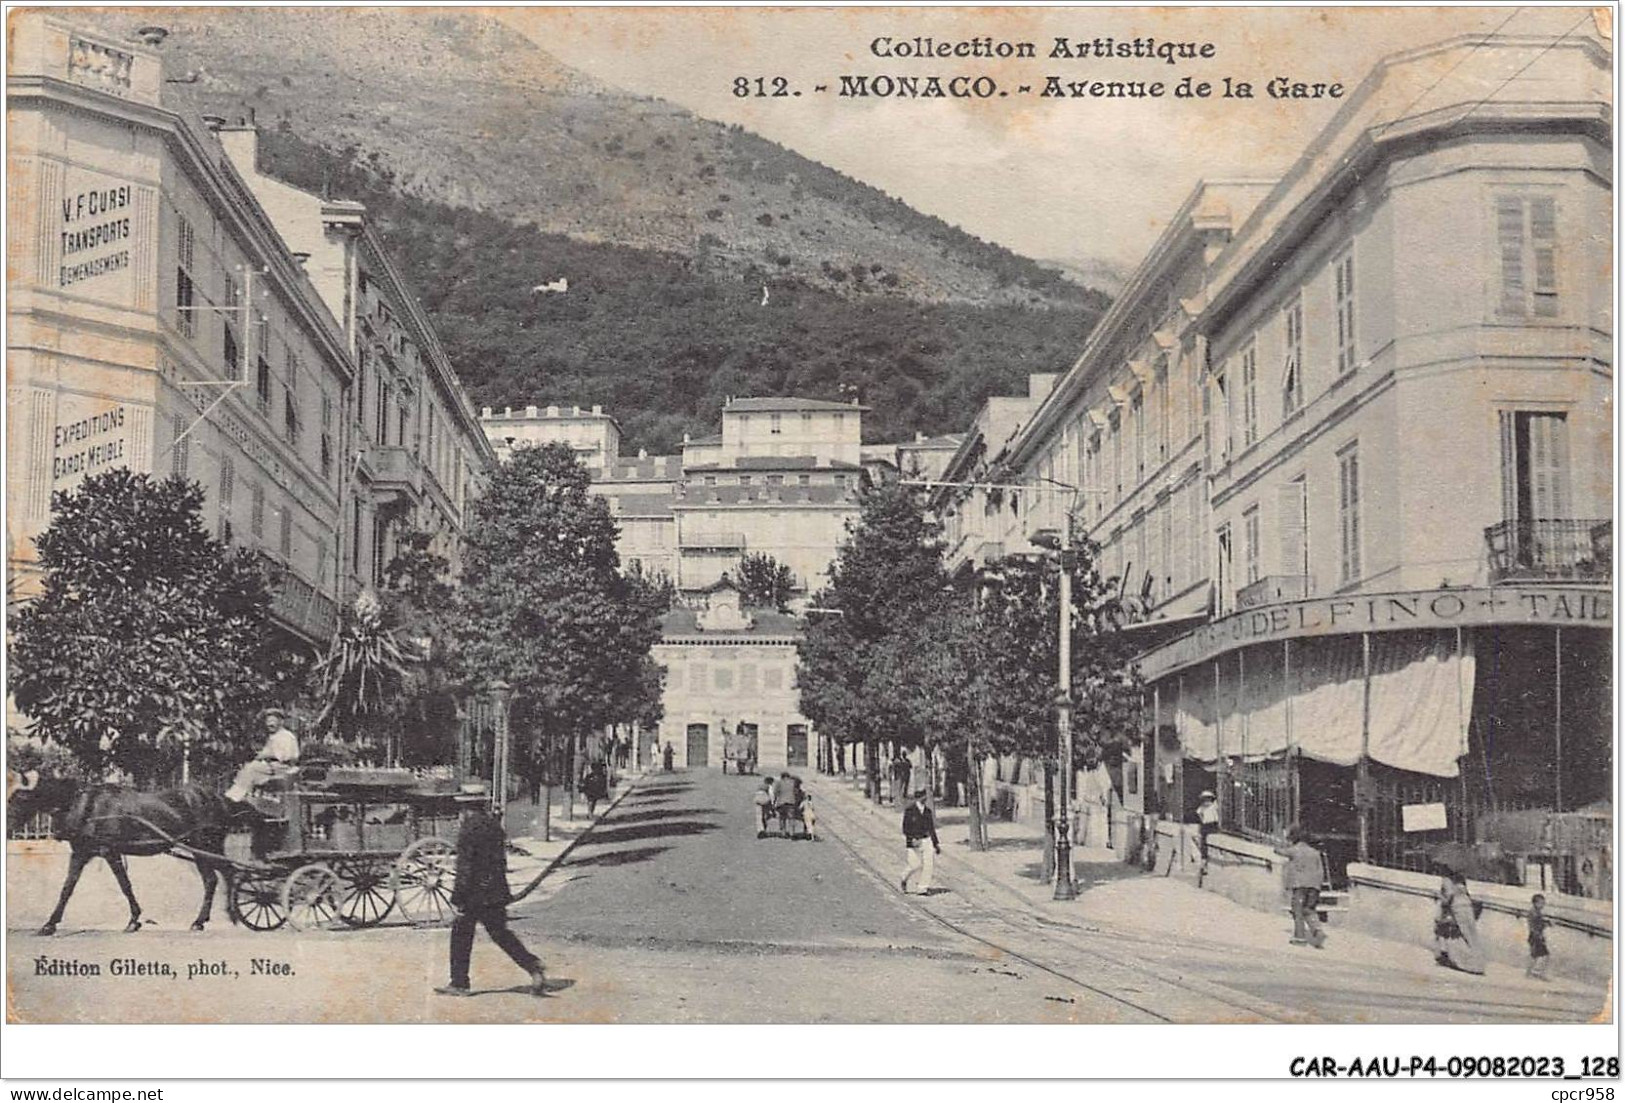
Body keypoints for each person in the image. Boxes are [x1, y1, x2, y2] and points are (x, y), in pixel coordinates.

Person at [436, 794, 548, 997]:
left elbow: (466, 867)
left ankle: (459, 983)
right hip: (495, 890)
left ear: (465, 808)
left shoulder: (468, 830)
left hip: (473, 893)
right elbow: (500, 862)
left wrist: (458, 896)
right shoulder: (494, 826)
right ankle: (532, 965)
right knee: (500, 933)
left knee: (461, 934)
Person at [225, 707, 300, 805]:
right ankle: (240, 794)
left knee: (252, 767)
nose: (270, 724)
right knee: (247, 767)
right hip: (271, 766)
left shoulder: (286, 736)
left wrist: (265, 756)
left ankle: (236, 796)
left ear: (281, 722)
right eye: (268, 721)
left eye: (273, 721)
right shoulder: (273, 736)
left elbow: (285, 756)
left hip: (282, 768)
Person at [1274, 825, 1326, 949]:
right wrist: (1318, 886)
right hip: (1314, 886)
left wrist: (1280, 840)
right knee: (1309, 909)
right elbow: (1321, 871)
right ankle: (1317, 931)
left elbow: (1277, 851)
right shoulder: (1315, 853)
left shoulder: (1294, 850)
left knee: (1297, 911)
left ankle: (1299, 937)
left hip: (1299, 885)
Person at [1432, 870, 1487, 975]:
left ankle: (1466, 963)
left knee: (1458, 935)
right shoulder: (1462, 882)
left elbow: (1448, 897)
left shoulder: (1447, 880)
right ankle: (1478, 964)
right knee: (1471, 936)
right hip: (1468, 907)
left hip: (1457, 909)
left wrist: (1439, 897)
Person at [901, 789, 940, 895]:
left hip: (926, 840)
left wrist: (936, 844)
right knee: (915, 864)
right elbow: (905, 828)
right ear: (917, 798)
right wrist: (911, 839)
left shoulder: (927, 811)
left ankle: (922, 888)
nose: (924, 799)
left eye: (925, 797)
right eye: (922, 797)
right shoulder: (910, 811)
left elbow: (931, 828)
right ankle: (904, 877)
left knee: (929, 864)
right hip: (914, 841)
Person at [1526, 893, 1551, 980]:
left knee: (1534, 955)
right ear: (1535, 903)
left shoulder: (1534, 912)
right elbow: (1536, 926)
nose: (1543, 905)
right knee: (1545, 955)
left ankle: (1529, 973)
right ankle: (1537, 972)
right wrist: (1546, 924)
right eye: (1541, 903)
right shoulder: (1535, 913)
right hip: (1536, 937)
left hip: (1533, 936)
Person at [1195, 790, 1219, 863]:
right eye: (1205, 799)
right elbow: (1199, 814)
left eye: (1208, 798)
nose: (1207, 800)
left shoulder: (1213, 806)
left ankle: (1204, 855)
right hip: (1206, 824)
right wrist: (1202, 820)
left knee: (1204, 839)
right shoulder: (1202, 807)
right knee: (1203, 839)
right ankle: (1204, 855)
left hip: (1211, 824)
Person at [772, 771, 799, 837]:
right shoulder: (793, 782)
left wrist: (774, 802)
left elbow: (775, 792)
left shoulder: (779, 782)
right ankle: (792, 833)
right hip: (791, 802)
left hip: (781, 803)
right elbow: (796, 792)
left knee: (782, 818)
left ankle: (783, 833)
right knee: (791, 818)